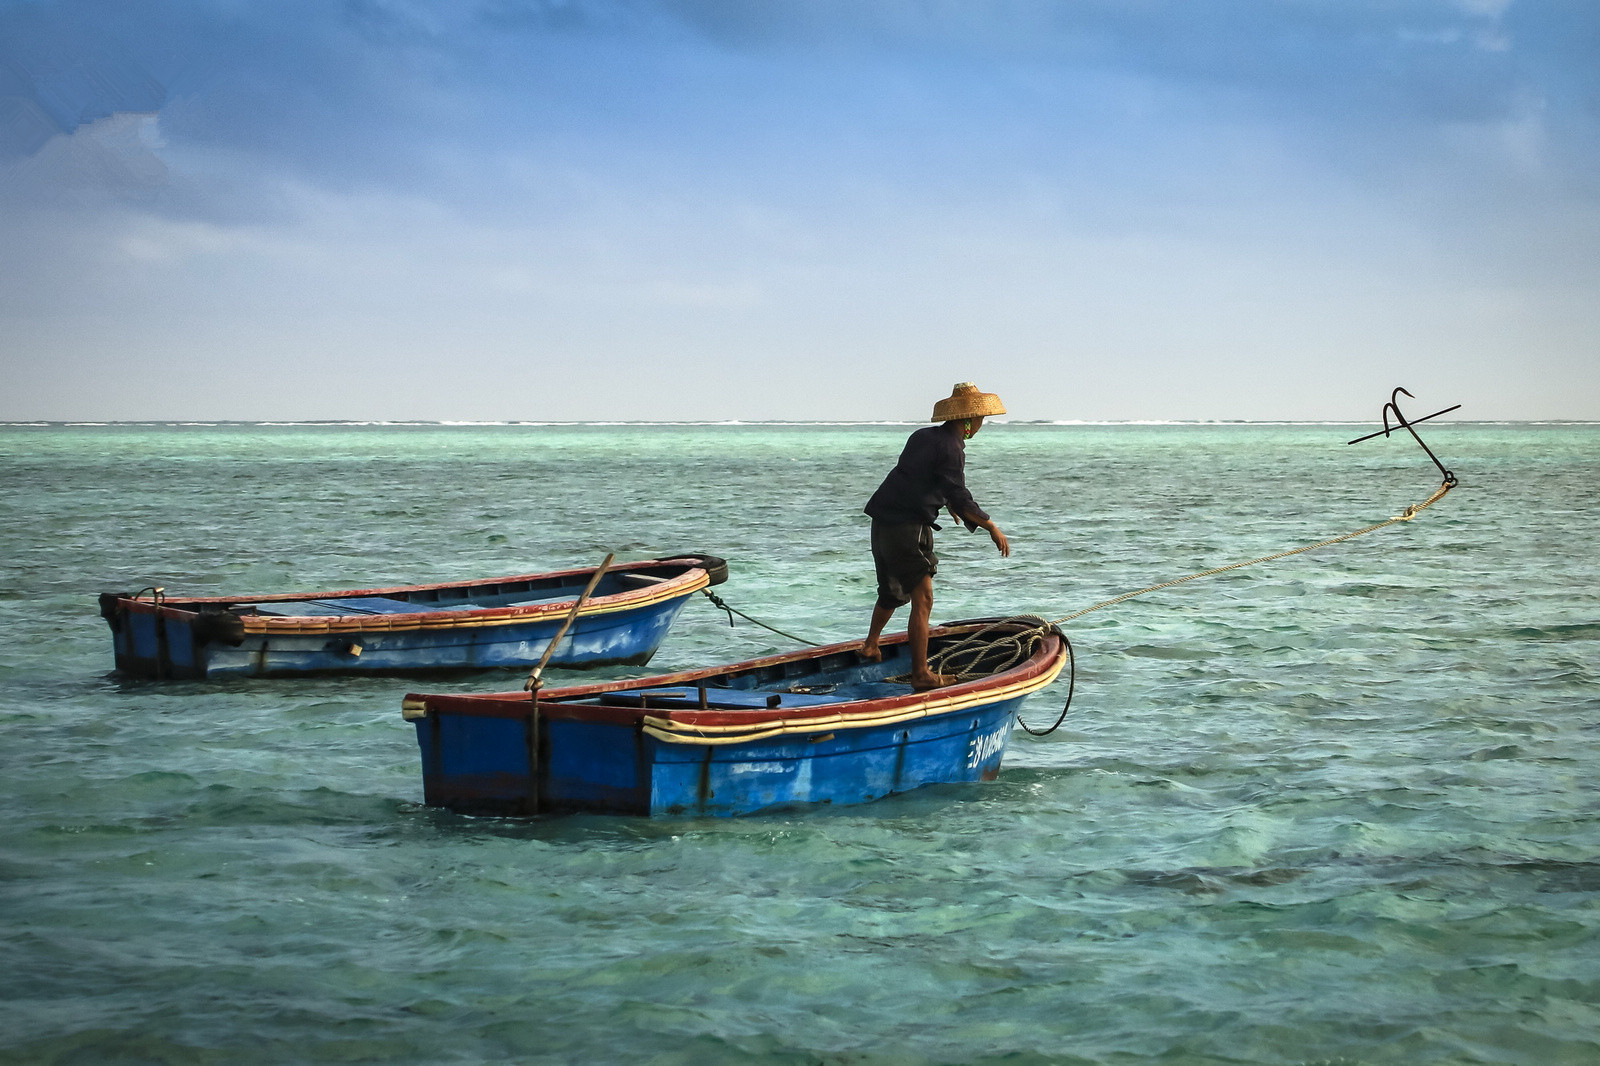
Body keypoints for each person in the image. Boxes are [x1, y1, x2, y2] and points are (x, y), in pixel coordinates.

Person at [860, 382, 1010, 689]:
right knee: (923, 597)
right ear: (968, 420)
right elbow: (958, 491)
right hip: (907, 527)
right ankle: (921, 674)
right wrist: (991, 526)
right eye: (980, 420)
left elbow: (920, 479)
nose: (981, 425)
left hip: (881, 520)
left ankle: (871, 645)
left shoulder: (923, 436)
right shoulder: (952, 448)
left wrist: (947, 503)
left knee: (891, 590)